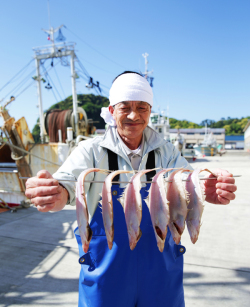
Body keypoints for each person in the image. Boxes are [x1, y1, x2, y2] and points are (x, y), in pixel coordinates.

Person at [25, 71, 237, 307]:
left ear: (150, 111)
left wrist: (208, 190)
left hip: (161, 271)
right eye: (125, 107)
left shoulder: (167, 152)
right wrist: (53, 194)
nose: (134, 115)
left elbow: (190, 183)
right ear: (112, 110)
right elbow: (65, 183)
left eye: (142, 107)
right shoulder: (90, 151)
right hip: (107, 270)